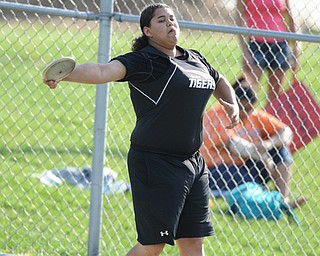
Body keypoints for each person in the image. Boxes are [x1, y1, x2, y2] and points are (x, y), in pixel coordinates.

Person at [44, 3, 240, 256]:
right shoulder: (146, 60)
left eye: (172, 18)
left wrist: (231, 102)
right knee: (152, 245)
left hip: (193, 162)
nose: (170, 23)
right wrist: (64, 75)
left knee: (193, 242)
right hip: (156, 162)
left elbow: (218, 79)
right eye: (161, 20)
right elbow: (104, 71)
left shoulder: (194, 57)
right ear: (147, 31)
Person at [200, 78, 307, 209]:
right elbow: (233, 145)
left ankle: (283, 198)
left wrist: (268, 144)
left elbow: (286, 131)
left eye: (250, 109)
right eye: (242, 108)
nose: (246, 113)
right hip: (218, 168)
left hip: (248, 164)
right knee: (245, 183)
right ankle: (273, 203)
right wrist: (261, 155)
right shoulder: (216, 114)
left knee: (281, 150)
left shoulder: (254, 115)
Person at [235, 0, 299, 103]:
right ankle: (248, 118)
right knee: (248, 92)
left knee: (274, 96)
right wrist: (245, 51)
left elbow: (291, 17)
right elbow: (239, 19)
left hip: (280, 44)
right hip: (256, 43)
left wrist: (295, 48)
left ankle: (269, 117)